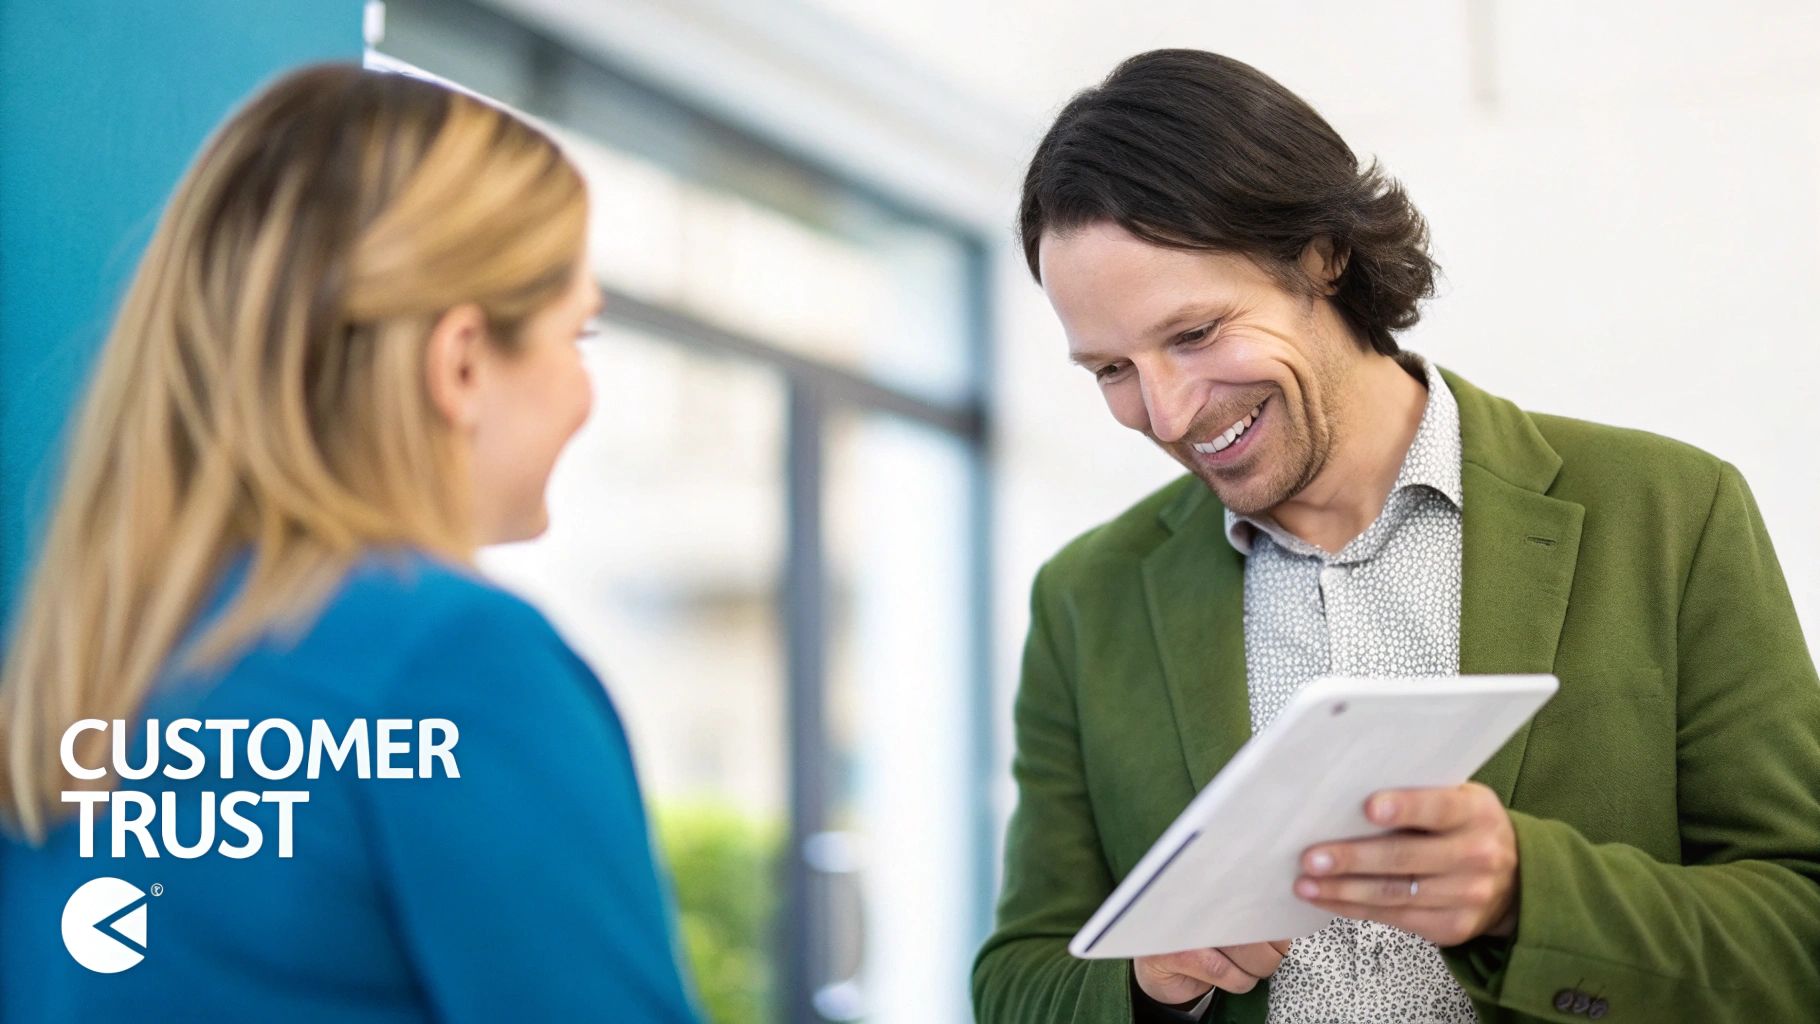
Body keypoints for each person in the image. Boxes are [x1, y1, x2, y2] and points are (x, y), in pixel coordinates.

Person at [972, 49, 1820, 1024]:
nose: (1163, 413)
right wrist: (1141, 979)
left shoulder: (1667, 511)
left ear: (1320, 254)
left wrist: (1522, 896)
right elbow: (1014, 979)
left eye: (1196, 333)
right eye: (1109, 369)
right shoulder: (1087, 598)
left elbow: (1800, 925)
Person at [0, 64, 701, 1022]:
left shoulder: (90, 675)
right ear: (459, 361)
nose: (585, 390)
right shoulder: (458, 668)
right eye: (578, 335)